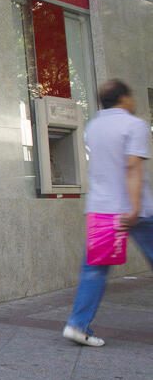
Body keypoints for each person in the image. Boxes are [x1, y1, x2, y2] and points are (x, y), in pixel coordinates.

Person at [63, 79, 153, 346]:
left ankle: (77, 325)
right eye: (132, 96)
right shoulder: (134, 125)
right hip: (134, 210)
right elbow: (132, 168)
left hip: (101, 209)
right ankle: (78, 324)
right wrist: (135, 207)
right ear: (124, 98)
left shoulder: (93, 126)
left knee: (94, 269)